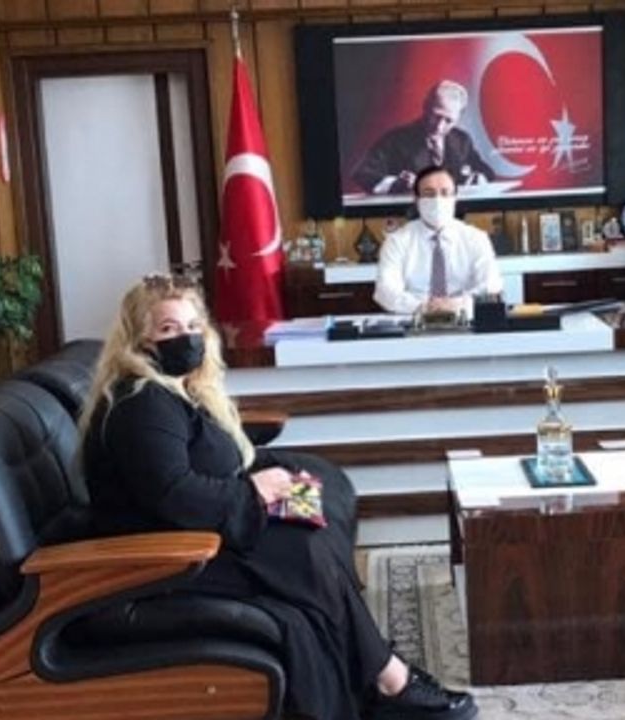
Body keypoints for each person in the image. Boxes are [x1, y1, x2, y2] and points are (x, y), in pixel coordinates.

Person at [78, 274, 478, 720]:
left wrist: (274, 479)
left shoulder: (175, 389)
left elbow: (205, 465)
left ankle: (371, 675)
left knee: (315, 510)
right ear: (139, 340)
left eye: (193, 326)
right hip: (166, 559)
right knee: (305, 550)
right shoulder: (142, 404)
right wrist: (254, 489)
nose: (186, 338)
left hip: (200, 530)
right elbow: (176, 495)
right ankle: (389, 680)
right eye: (168, 329)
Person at [373, 165, 503, 315]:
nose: (437, 200)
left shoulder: (476, 238)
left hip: (463, 318)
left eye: (445, 193)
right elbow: (385, 292)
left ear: (455, 197)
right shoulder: (397, 241)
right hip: (414, 319)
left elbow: (491, 285)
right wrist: (424, 307)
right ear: (416, 199)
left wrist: (457, 305)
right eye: (429, 194)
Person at [352, 80, 495, 195]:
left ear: (458, 118)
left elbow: (487, 172)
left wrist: (479, 178)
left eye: (448, 120)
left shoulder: (462, 140)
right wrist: (396, 184)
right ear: (425, 106)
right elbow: (363, 174)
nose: (439, 126)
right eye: (436, 116)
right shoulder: (395, 140)